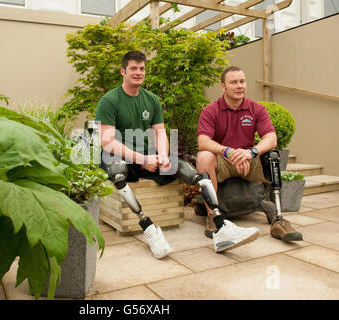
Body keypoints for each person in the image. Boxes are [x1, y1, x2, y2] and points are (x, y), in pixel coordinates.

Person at [95, 51, 262, 258]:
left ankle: (221, 226)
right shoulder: (109, 100)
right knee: (117, 172)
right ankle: (148, 228)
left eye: (142, 69)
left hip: (148, 154)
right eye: (133, 69)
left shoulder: (152, 100)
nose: (139, 72)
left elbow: (160, 132)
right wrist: (142, 159)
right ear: (123, 71)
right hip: (119, 156)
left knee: (191, 172)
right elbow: (107, 141)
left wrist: (163, 155)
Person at [197, 66, 303, 243]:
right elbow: (203, 141)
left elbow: (271, 138)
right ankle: (212, 215)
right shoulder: (211, 110)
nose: (239, 86)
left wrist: (251, 152)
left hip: (248, 159)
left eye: (242, 81)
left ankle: (278, 219)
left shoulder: (256, 109)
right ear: (223, 86)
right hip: (224, 160)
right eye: (234, 82)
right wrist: (227, 151)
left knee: (273, 156)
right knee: (203, 156)